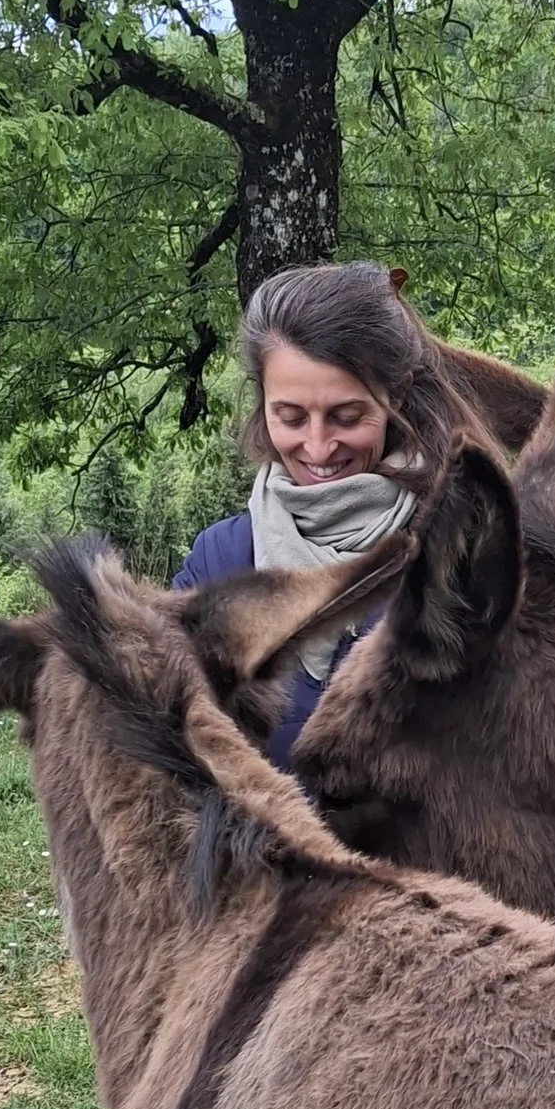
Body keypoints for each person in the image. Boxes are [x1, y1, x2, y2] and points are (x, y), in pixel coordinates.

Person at [174, 261, 462, 768]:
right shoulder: (219, 561)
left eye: (347, 417)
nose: (318, 447)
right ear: (262, 402)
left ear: (396, 396)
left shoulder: (458, 558)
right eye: (290, 416)